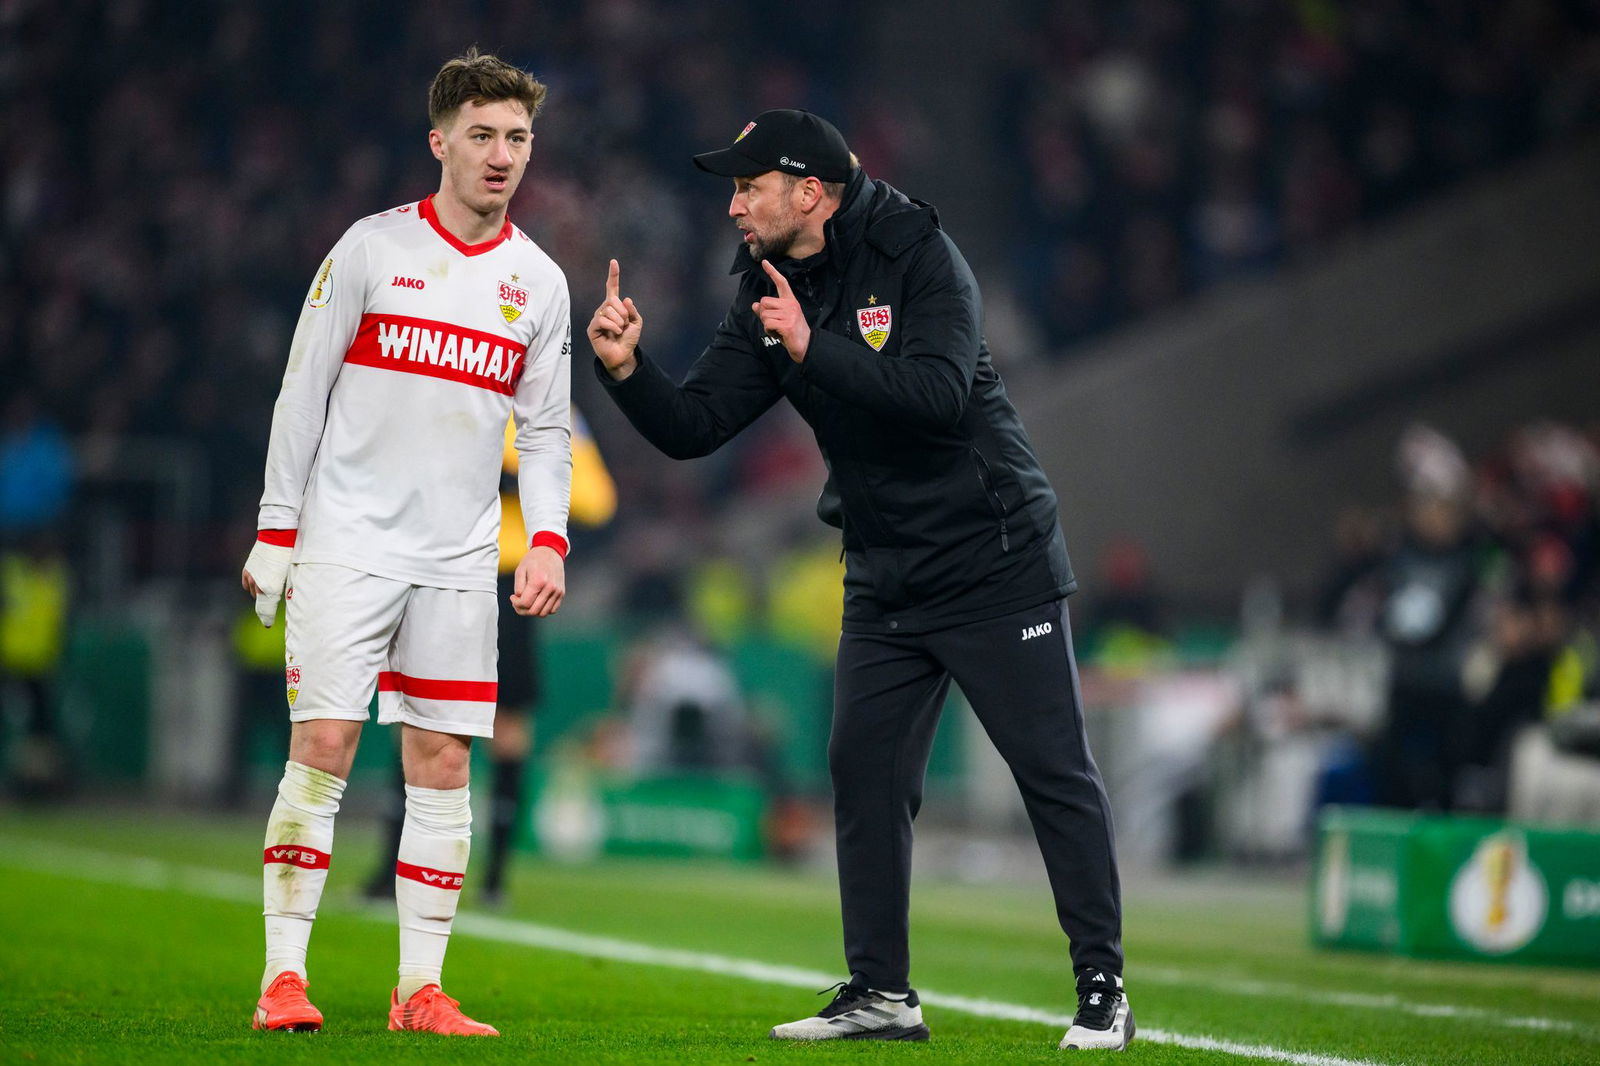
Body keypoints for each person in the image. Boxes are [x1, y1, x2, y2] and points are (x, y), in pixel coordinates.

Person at [588, 109, 1130, 1051]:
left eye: (748, 185)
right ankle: (883, 993)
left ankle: (1103, 988)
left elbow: (938, 395)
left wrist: (812, 347)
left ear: (810, 190)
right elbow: (692, 426)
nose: (733, 203)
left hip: (990, 559)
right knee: (863, 771)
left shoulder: (920, 254)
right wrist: (628, 370)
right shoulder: (767, 284)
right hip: (885, 574)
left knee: (1052, 772)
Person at [239, 49, 573, 1037]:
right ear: (440, 143)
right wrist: (275, 528)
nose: (501, 154)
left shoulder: (538, 281)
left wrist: (545, 541)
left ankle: (418, 991)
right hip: (347, 539)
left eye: (516, 137)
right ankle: (283, 978)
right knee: (327, 745)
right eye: (481, 135)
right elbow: (302, 390)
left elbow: (547, 428)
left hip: (462, 556)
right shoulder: (371, 249)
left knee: (440, 760)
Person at [364, 409, 615, 906]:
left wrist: (513, 477)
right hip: (439, 569)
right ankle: (392, 865)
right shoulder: (451, 388)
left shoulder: (550, 415)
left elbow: (597, 500)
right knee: (419, 712)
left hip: (507, 581)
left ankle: (496, 874)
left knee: (509, 724)